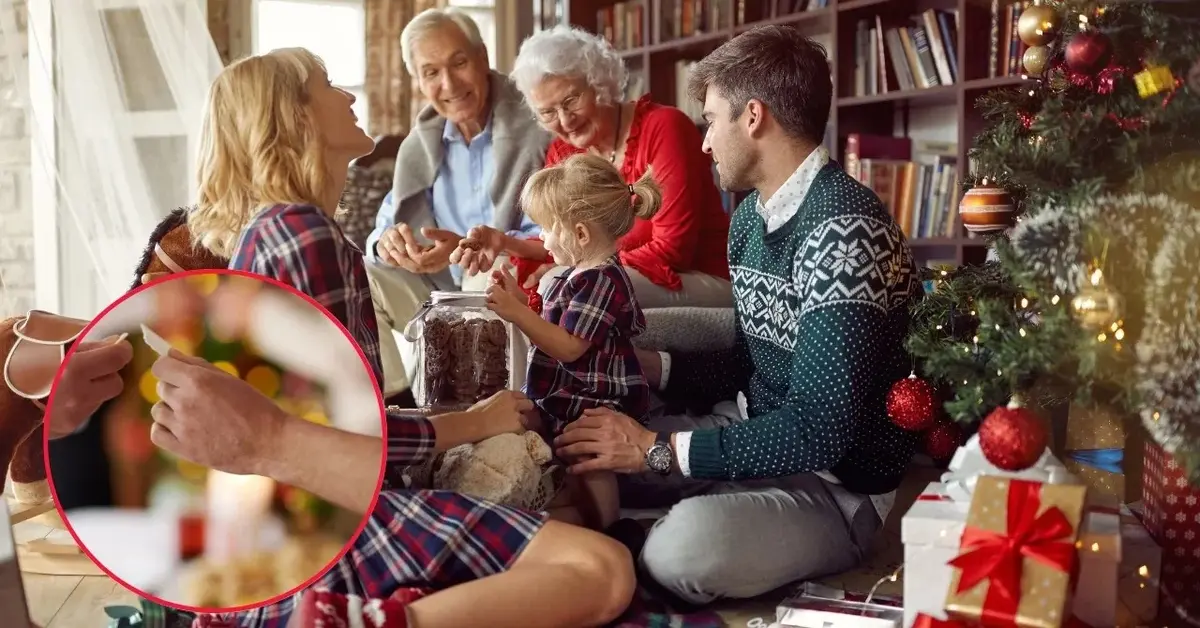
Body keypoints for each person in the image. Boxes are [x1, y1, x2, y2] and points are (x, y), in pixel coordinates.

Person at [171, 46, 635, 627]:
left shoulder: (274, 228)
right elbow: (344, 440)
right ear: (297, 118)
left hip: (299, 511)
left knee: (561, 525)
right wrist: (478, 422)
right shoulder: (303, 233)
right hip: (332, 518)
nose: (348, 96)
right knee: (603, 570)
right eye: (329, 85)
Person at [550, 26, 923, 605]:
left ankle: (651, 543)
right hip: (747, 427)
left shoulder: (844, 229)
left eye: (710, 120)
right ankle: (648, 532)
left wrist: (654, 449)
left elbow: (820, 432)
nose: (703, 143)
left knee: (682, 550)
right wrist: (653, 367)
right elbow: (747, 363)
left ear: (753, 117)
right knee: (585, 460)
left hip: (835, 487)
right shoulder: (750, 217)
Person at [455, 25, 732, 309]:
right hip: (614, 272)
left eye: (570, 101)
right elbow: (562, 242)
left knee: (569, 287)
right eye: (548, 112)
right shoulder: (563, 152)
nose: (564, 120)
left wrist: (570, 272)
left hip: (695, 277)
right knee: (494, 281)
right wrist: (503, 242)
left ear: (599, 82)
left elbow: (672, 251)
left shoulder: (664, 128)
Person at [363, 8, 551, 399]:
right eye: (431, 72)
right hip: (436, 296)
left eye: (459, 63)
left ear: (482, 58)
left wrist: (469, 249)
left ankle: (494, 408)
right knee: (362, 274)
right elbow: (384, 226)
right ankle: (401, 408)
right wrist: (388, 244)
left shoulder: (537, 125)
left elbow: (555, 229)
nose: (448, 83)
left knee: (489, 269)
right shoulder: (420, 144)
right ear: (418, 81)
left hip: (506, 283)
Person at [484, 154, 660, 532]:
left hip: (592, 397)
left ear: (580, 234)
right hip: (565, 390)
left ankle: (612, 529)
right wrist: (519, 301)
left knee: (589, 458)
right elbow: (554, 324)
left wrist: (519, 316)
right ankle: (561, 508)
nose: (542, 239)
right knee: (542, 435)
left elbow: (569, 347)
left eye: (546, 229)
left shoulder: (601, 280)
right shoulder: (574, 275)